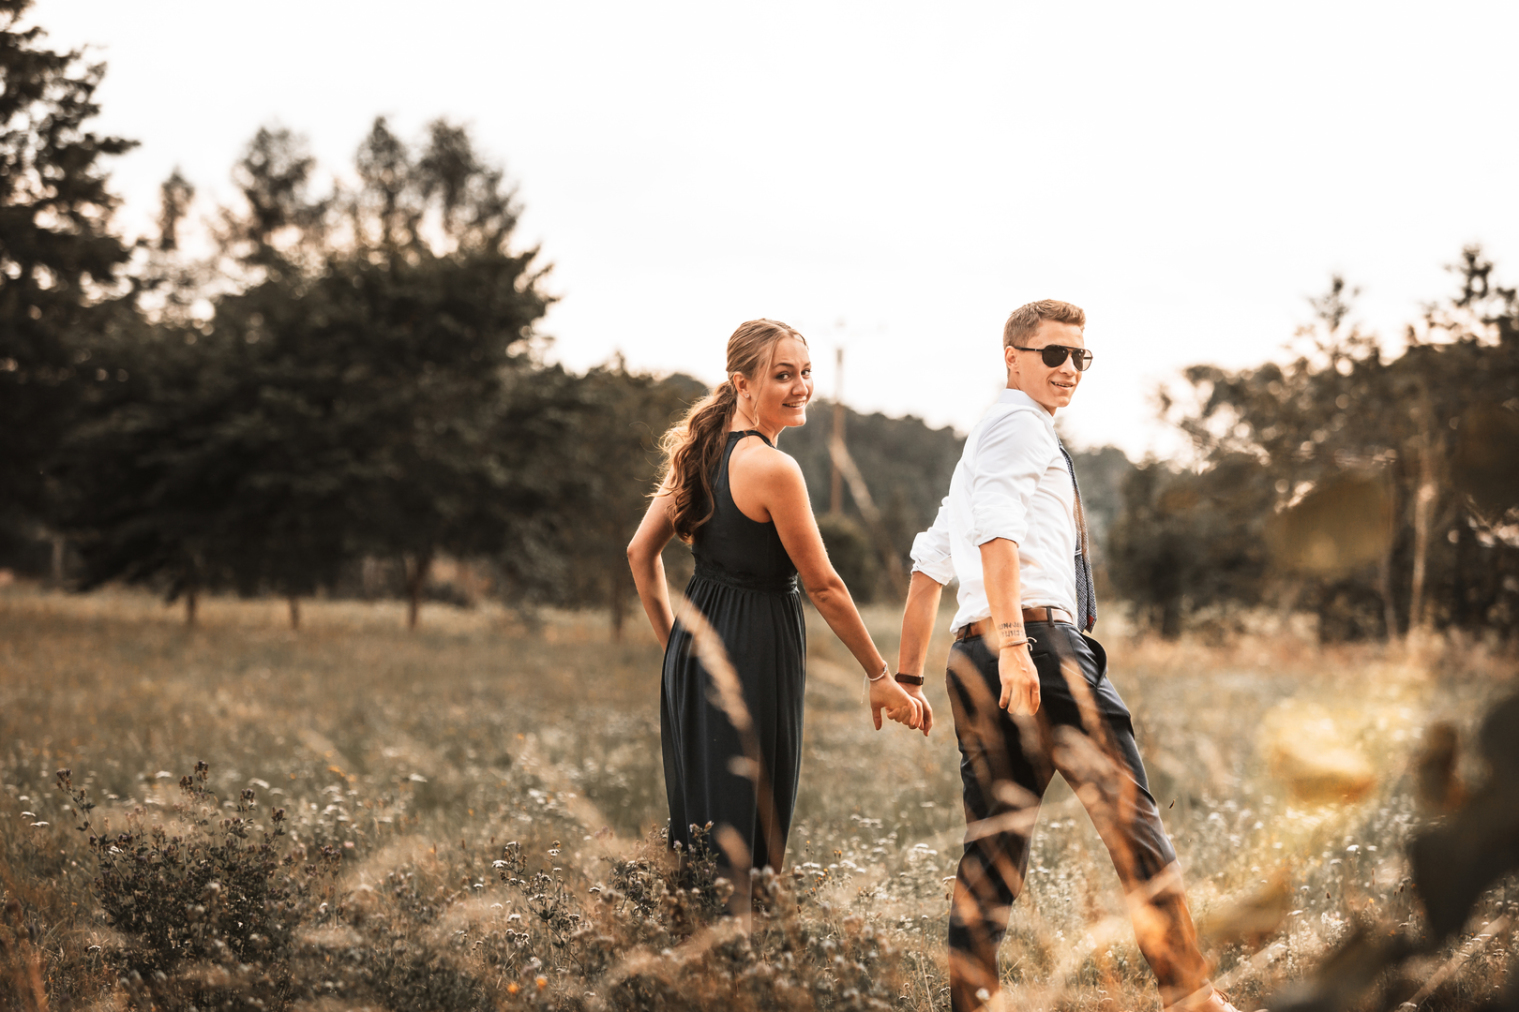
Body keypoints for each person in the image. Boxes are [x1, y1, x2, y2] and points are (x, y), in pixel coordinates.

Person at [892, 301, 1247, 1012]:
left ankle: (971, 1005)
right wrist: (1016, 648)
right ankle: (1191, 998)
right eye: (1052, 354)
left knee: (993, 848)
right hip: (1037, 650)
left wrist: (907, 676)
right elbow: (996, 537)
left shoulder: (980, 451)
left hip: (976, 654)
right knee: (1131, 820)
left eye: (1079, 356)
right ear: (1012, 358)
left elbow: (928, 569)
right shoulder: (1019, 426)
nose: (1069, 369)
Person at [627, 318, 923, 909]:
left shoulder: (699, 453)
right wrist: (879, 674)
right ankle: (739, 953)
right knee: (750, 830)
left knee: (703, 829)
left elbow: (640, 554)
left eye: (806, 372)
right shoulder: (773, 469)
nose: (801, 387)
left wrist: (677, 650)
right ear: (742, 383)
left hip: (695, 653)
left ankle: (699, 950)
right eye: (783, 375)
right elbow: (825, 586)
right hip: (753, 653)